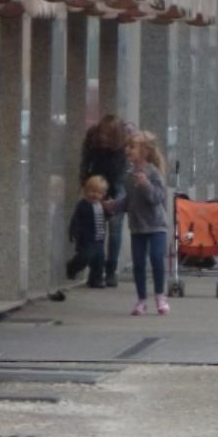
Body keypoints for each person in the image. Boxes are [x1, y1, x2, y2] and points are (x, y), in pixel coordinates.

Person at [107, 129, 171, 316]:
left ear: (145, 151)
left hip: (156, 225)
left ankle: (160, 295)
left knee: (157, 258)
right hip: (137, 227)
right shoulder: (128, 176)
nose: (127, 150)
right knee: (138, 264)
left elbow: (157, 198)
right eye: (127, 146)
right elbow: (129, 201)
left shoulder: (154, 173)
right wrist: (114, 206)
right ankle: (141, 299)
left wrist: (145, 185)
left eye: (132, 147)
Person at [79, 114, 128, 287]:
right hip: (97, 183)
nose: (103, 138)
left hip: (117, 185)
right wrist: (85, 183)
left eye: (108, 136)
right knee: (96, 231)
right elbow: (85, 162)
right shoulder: (92, 139)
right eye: (102, 134)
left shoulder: (123, 144)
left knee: (114, 232)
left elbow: (120, 173)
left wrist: (114, 198)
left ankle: (111, 270)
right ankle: (96, 272)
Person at [66, 175, 109, 287]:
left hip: (99, 240)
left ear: (103, 194)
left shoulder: (101, 206)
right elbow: (75, 220)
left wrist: (111, 212)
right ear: (86, 191)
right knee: (85, 257)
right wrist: (73, 232)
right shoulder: (83, 205)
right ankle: (72, 267)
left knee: (99, 261)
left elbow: (106, 217)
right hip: (86, 239)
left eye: (99, 192)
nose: (95, 195)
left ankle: (95, 280)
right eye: (92, 191)